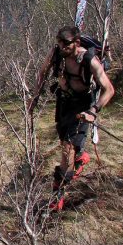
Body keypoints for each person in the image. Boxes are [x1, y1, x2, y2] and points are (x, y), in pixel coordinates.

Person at [43, 26, 115, 210]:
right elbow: (42, 72)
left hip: (83, 105)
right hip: (64, 103)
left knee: (67, 148)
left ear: (76, 43)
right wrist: (35, 98)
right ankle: (81, 156)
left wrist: (93, 110)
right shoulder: (57, 54)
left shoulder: (89, 60)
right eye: (59, 42)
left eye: (65, 43)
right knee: (64, 142)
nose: (61, 46)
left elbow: (109, 89)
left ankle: (57, 197)